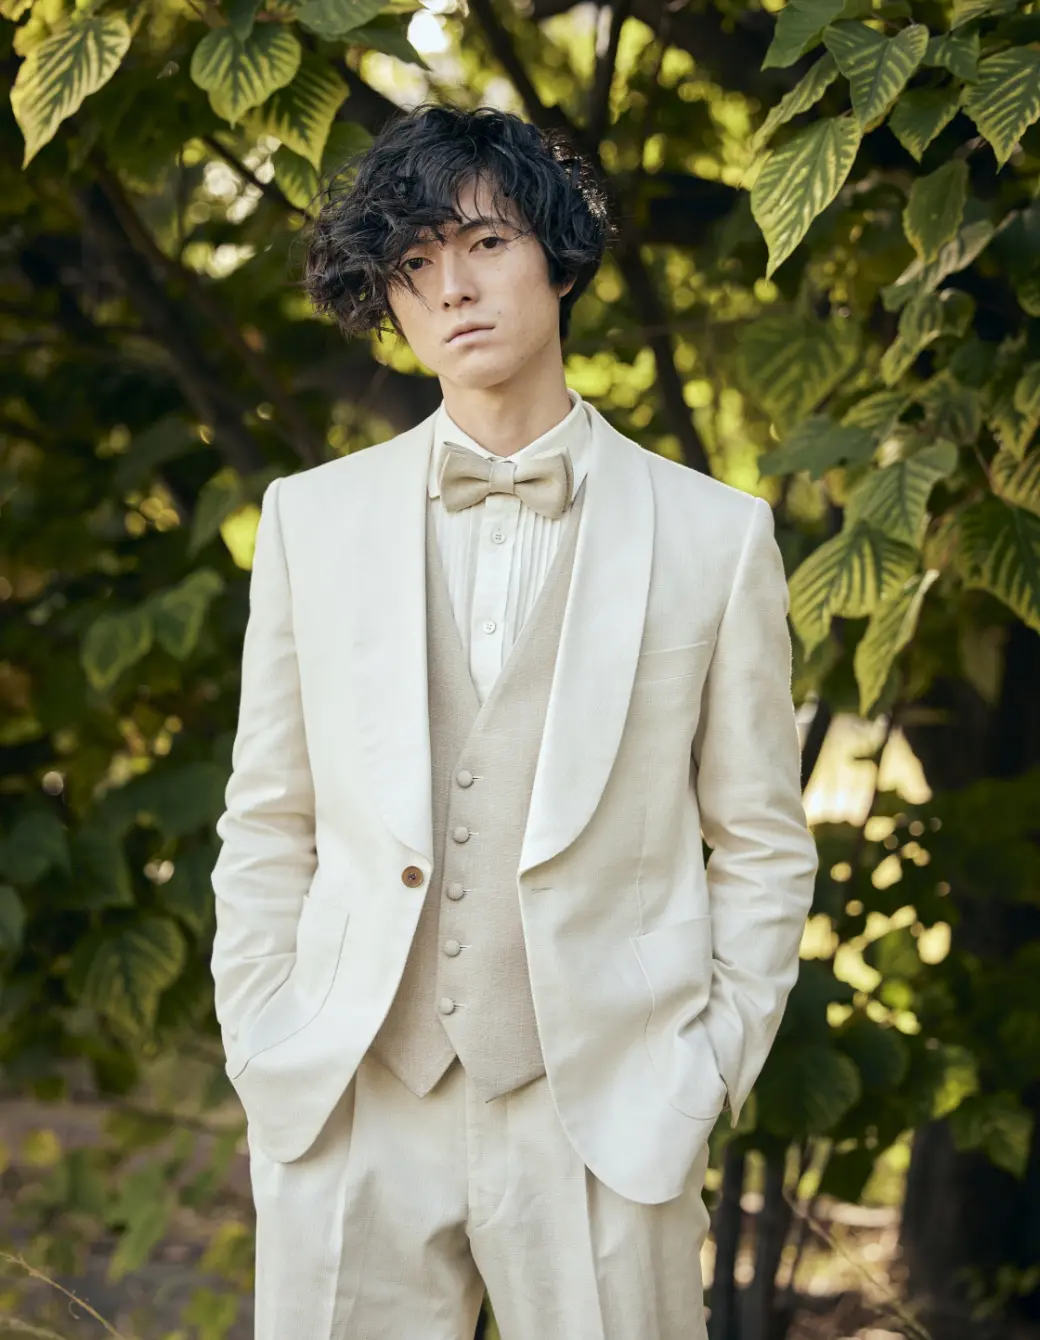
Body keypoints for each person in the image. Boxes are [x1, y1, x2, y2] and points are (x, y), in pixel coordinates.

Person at [209, 101, 818, 1340]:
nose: (452, 288)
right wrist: (265, 1029)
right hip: (353, 1093)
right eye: (413, 263)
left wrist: (700, 1069)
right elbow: (268, 815)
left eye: (483, 243)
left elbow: (759, 839)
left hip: (607, 1109)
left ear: (558, 255)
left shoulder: (714, 535)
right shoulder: (309, 521)